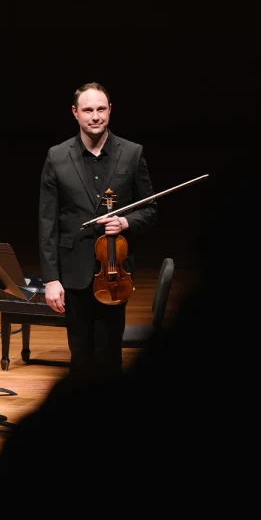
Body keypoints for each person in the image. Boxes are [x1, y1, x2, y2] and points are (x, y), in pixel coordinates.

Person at [38, 82, 157, 386]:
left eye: (101, 109)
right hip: (72, 272)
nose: (95, 116)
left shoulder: (131, 153)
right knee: (80, 358)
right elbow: (47, 222)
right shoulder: (56, 156)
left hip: (115, 272)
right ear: (75, 113)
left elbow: (149, 209)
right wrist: (51, 279)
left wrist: (127, 222)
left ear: (110, 111)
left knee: (109, 358)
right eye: (88, 110)